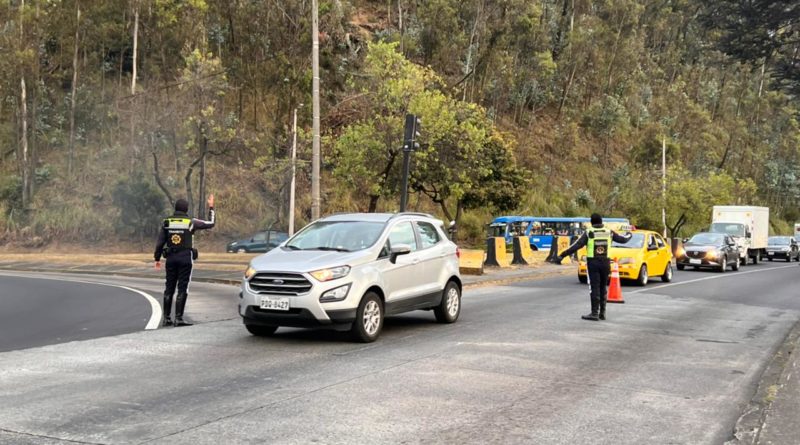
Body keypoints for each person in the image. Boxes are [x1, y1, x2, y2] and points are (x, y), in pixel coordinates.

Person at [553, 213, 631, 321]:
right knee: (603, 287)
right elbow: (624, 239)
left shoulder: (589, 232)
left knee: (594, 287)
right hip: (605, 263)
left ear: (591, 222)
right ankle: (602, 313)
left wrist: (562, 255)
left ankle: (594, 313)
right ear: (601, 221)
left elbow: (576, 245)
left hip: (593, 263)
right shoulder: (609, 232)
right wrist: (630, 234)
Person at [154, 194, 216, 327]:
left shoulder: (167, 222)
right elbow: (211, 223)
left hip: (170, 259)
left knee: (169, 288)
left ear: (175, 209)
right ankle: (179, 318)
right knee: (182, 287)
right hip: (185, 259)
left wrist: (157, 258)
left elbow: (159, 243)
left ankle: (166, 319)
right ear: (186, 210)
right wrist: (211, 207)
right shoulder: (191, 222)